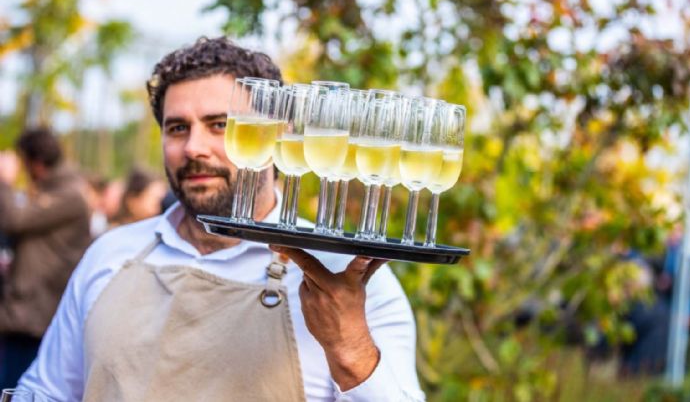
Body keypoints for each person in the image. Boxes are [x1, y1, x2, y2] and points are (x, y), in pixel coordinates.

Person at [19, 37, 423, 401]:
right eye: (178, 128)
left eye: (220, 125)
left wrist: (351, 351)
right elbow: (43, 392)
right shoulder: (110, 254)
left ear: (279, 134)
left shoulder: (348, 279)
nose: (194, 147)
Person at [0, 128, 91, 388]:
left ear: (37, 163)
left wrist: (5, 181)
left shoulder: (69, 194)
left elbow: (16, 219)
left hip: (37, 317)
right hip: (29, 313)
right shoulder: (55, 189)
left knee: (19, 389)